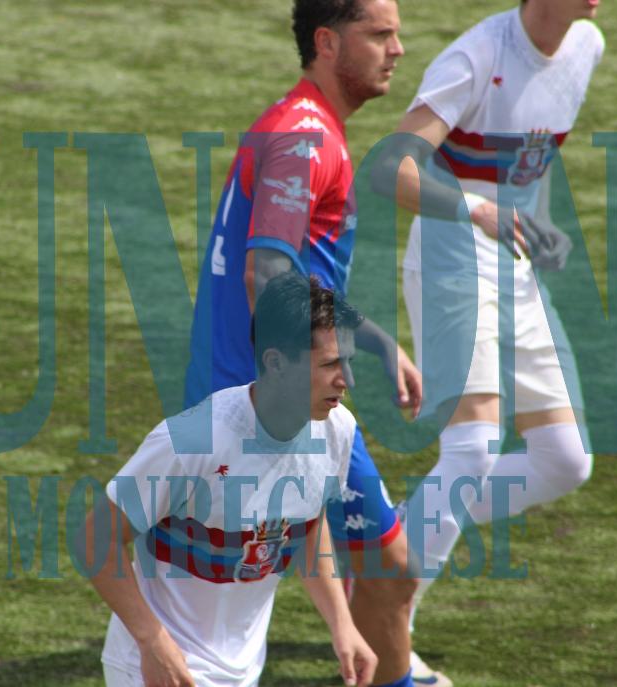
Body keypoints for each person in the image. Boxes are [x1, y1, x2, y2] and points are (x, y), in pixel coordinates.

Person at [183, 2, 433, 685]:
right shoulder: (304, 139)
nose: (397, 49)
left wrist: (374, 340)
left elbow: (298, 273)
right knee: (219, 621)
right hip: (262, 408)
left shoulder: (301, 125)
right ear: (327, 42)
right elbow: (266, 273)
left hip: (257, 397)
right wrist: (292, 406)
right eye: (379, 34)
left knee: (387, 569)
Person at [377, 0, 605, 679]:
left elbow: (527, 162)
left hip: (514, 267)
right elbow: (391, 169)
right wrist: (476, 208)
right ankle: (387, 626)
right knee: (471, 450)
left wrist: (535, 224)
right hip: (450, 258)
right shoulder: (477, 56)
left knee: (564, 459)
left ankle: (394, 538)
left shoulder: (586, 45)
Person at [84, 273, 376, 687]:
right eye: (330, 364)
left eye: (348, 362)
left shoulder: (336, 430)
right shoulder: (196, 441)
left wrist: (341, 623)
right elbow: (96, 537)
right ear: (276, 362)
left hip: (242, 670)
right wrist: (152, 642)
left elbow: (309, 523)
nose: (347, 380)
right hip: (159, 668)